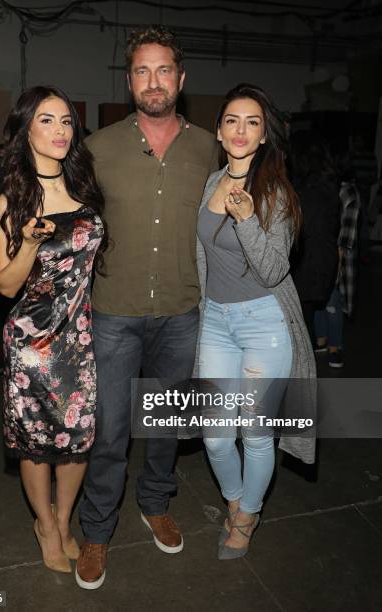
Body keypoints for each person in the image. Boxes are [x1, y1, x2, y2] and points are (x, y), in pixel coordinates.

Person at [75, 26, 218, 590]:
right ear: (129, 80)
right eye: (142, 70)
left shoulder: (210, 146)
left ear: (180, 81)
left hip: (182, 312)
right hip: (114, 311)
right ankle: (96, 530)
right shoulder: (98, 147)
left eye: (163, 70)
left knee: (164, 425)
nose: (153, 81)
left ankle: (155, 501)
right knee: (110, 429)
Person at [195, 84, 316, 560]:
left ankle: (246, 516)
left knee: (256, 431)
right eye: (231, 121)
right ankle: (234, 499)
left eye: (252, 122)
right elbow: (202, 255)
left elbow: (273, 270)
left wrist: (247, 220)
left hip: (263, 324)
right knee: (217, 434)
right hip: (216, 322)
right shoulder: (210, 183)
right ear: (219, 132)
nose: (241, 130)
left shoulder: (277, 193)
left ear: (264, 135)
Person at [0, 85, 106, 574]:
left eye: (66, 121)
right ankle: (45, 525)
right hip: (32, 343)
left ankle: (64, 519)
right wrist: (32, 244)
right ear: (26, 130)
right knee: (36, 443)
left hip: (78, 338)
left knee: (77, 436)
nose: (60, 130)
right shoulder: (12, 202)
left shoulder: (84, 187)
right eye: (46, 120)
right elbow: (5, 284)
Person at [289, 131, 339, 346]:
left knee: (299, 328)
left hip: (306, 266)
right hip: (322, 263)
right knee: (305, 321)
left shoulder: (303, 191)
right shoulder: (331, 188)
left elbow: (295, 233)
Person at [314, 158, 361, 368]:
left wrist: (337, 263)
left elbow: (346, 237)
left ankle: (335, 346)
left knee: (332, 302)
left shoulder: (348, 193)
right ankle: (322, 340)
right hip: (322, 252)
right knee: (318, 299)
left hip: (336, 254)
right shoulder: (325, 187)